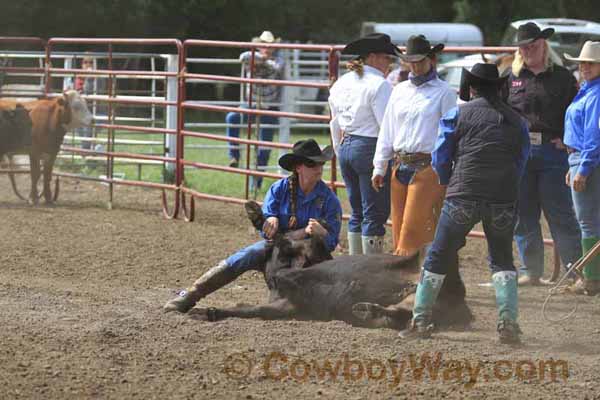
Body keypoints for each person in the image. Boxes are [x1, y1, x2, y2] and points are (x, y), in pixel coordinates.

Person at [399, 64, 530, 344]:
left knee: (438, 254)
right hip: (502, 198)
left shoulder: (457, 114)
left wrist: (448, 181)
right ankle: (508, 322)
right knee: (502, 258)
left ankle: (420, 318)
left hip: (463, 194)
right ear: (499, 87)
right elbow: (521, 161)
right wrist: (508, 187)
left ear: (471, 87)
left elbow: (441, 157)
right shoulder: (517, 120)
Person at [164, 139, 343, 313]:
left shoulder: (329, 200)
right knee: (244, 256)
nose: (319, 169)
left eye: (321, 164)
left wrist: (323, 235)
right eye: (312, 164)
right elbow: (266, 233)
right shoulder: (279, 189)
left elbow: (331, 243)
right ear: (298, 167)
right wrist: (269, 220)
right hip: (278, 247)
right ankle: (190, 295)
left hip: (309, 254)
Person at [506, 22, 582, 286]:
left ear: (544, 45)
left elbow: (577, 112)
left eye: (533, 45)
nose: (528, 50)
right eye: (524, 47)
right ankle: (531, 270)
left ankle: (575, 271)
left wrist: (569, 140)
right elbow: (501, 112)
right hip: (521, 151)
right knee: (523, 213)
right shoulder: (510, 77)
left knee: (560, 213)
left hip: (553, 151)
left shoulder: (563, 77)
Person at [372, 34, 457, 256]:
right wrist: (379, 166)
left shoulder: (444, 92)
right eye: (412, 61)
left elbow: (450, 134)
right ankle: (410, 282)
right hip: (400, 165)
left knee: (412, 232)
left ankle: (412, 282)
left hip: (428, 167)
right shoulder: (399, 90)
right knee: (399, 230)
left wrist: (446, 168)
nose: (416, 66)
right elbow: (388, 130)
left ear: (431, 59)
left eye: (420, 60)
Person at [328, 33, 399, 254]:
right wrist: (393, 153)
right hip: (369, 147)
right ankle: (371, 270)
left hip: (346, 144)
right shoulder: (379, 85)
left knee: (357, 212)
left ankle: (356, 266)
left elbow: (334, 122)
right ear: (373, 57)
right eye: (387, 58)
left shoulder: (342, 82)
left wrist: (339, 150)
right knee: (374, 213)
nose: (389, 63)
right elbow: (386, 125)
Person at [226, 30, 285, 191]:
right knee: (232, 118)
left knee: (263, 148)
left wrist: (261, 61)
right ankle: (234, 155)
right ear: (258, 45)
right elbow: (243, 57)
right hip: (250, 104)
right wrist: (261, 58)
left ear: (274, 47)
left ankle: (256, 185)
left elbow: (277, 67)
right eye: (264, 45)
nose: (267, 48)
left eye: (270, 45)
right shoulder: (251, 56)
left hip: (269, 107)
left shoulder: (279, 60)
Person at [563, 41, 600, 295]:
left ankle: (592, 279)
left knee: (588, 221)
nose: (584, 66)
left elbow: (593, 135)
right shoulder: (589, 91)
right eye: (582, 62)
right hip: (579, 157)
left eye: (590, 63)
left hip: (586, 158)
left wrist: (583, 167)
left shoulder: (595, 93)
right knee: (589, 220)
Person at [74, 56, 95, 150]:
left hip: (93, 106)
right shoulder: (79, 76)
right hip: (81, 105)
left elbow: (97, 90)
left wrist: (90, 76)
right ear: (82, 64)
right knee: (80, 126)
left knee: (88, 125)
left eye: (90, 62)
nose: (88, 64)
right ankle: (85, 147)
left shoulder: (98, 76)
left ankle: (86, 148)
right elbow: (78, 90)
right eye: (85, 62)